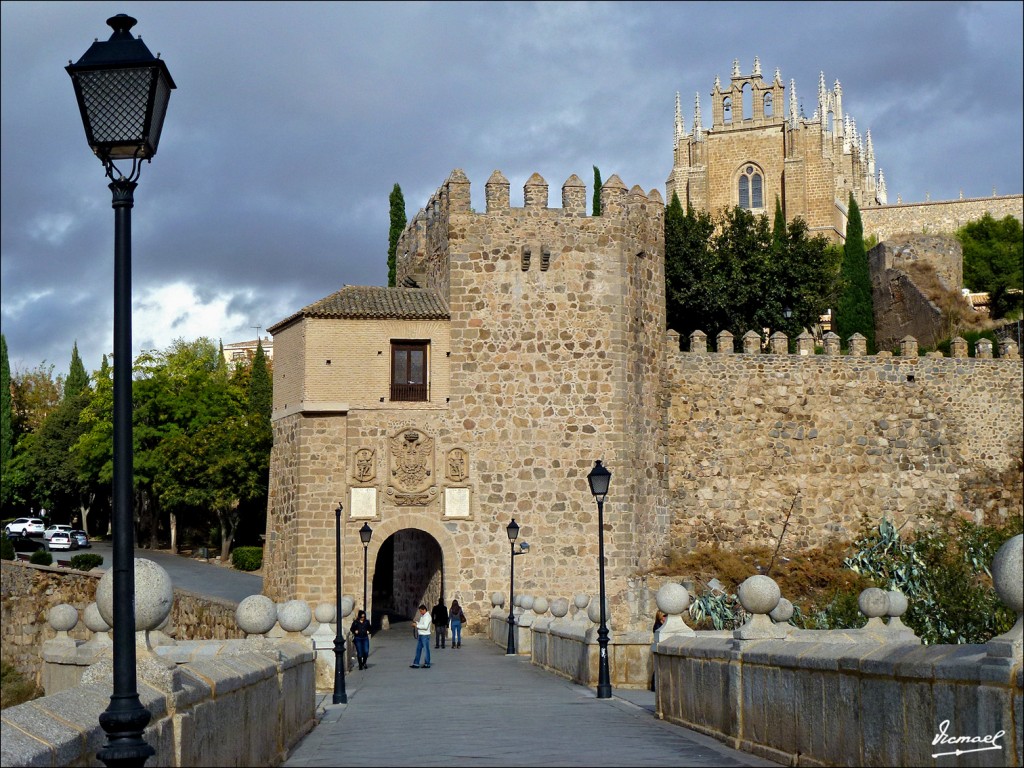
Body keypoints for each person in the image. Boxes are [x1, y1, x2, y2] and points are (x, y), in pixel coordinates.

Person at [410, 604, 432, 668]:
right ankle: (416, 663)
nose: (420, 612)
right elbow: (421, 624)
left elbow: (425, 627)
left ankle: (427, 663)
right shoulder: (423, 616)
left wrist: (416, 626)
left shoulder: (427, 617)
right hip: (421, 635)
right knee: (418, 649)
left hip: (425, 635)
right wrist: (417, 623)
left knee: (426, 650)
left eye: (421, 611)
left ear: (424, 610)